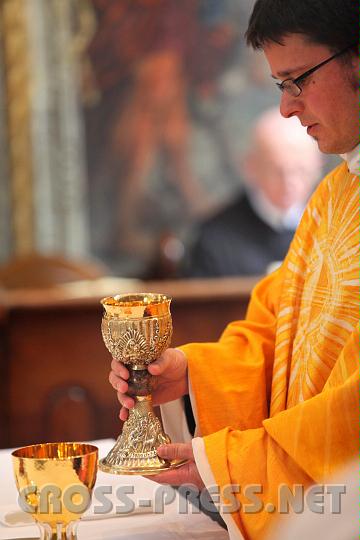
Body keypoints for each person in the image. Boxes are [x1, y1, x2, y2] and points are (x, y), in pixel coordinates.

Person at [109, 1, 360, 538]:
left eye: (297, 80)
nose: (288, 109)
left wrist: (231, 463)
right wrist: (190, 375)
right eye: (279, 85)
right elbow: (280, 332)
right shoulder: (335, 195)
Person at [183, 107, 322, 277]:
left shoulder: (332, 227)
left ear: (317, 166)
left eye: (301, 170)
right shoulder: (214, 238)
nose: (290, 182)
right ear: (251, 166)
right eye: (278, 171)